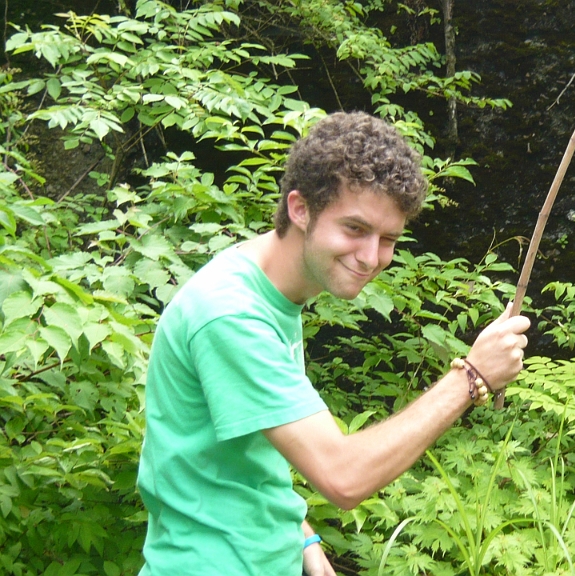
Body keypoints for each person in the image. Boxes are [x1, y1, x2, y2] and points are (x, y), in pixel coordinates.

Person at [135, 111, 531, 576]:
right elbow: (343, 478)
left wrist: (301, 536)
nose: (370, 257)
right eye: (355, 229)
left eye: (388, 239)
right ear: (300, 209)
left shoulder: (273, 290)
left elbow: (247, 450)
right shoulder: (231, 314)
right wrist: (472, 376)